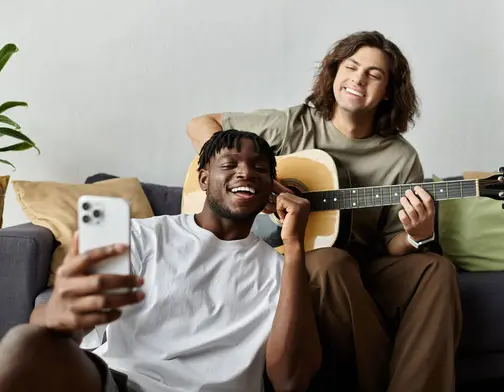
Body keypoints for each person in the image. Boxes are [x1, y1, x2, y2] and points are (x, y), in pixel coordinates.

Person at [186, 30, 463, 391]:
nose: (358, 80)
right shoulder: (296, 124)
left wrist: (417, 235)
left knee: (437, 268)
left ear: (389, 91)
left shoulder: (400, 156)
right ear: (334, 73)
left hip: (368, 265)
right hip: (303, 259)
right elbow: (200, 125)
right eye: (351, 67)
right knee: (329, 262)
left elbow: (393, 242)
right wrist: (259, 182)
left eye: (374, 75)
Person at [0, 130, 321, 392]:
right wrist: (57, 314)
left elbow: (290, 380)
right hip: (116, 382)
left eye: (260, 168)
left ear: (271, 189)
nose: (245, 172)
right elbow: (56, 328)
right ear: (204, 178)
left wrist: (293, 246)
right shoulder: (140, 236)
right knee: (25, 345)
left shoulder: (281, 269)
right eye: (230, 163)